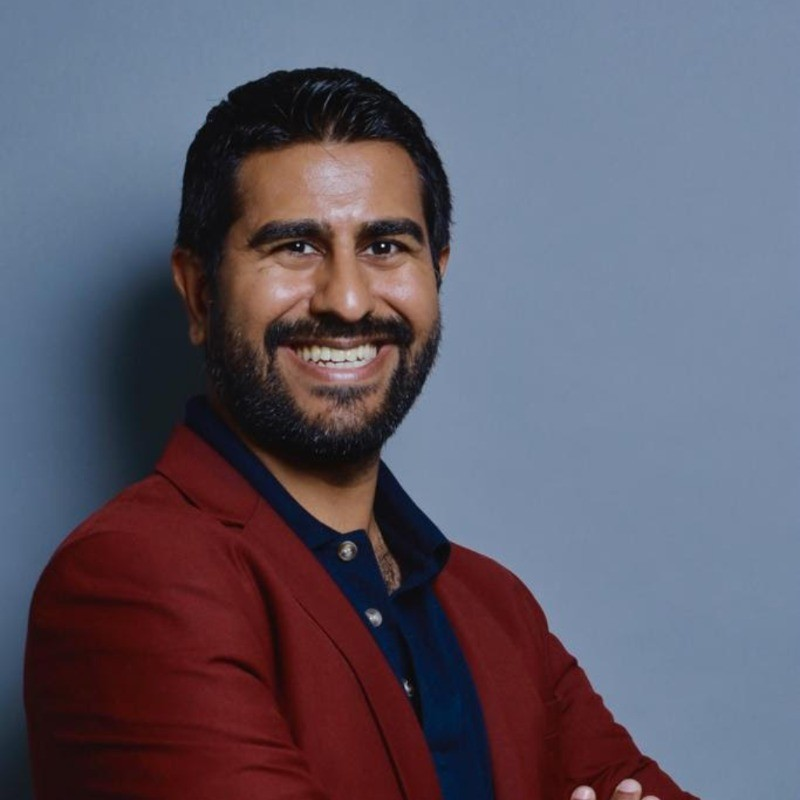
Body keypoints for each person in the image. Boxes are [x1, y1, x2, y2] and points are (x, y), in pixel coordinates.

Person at [24, 68, 699, 800]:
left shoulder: (495, 605)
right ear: (199, 293)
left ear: (436, 275)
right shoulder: (131, 578)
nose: (347, 300)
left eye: (385, 246)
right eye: (295, 246)